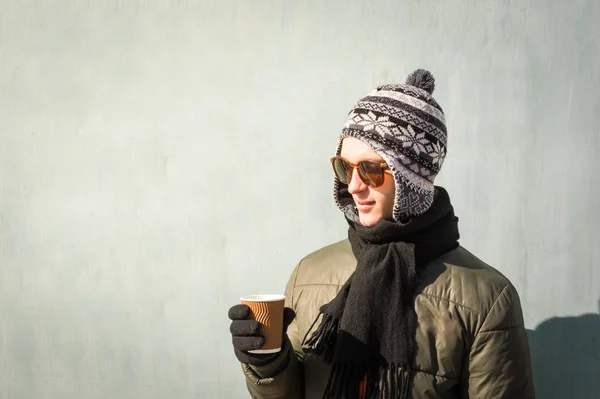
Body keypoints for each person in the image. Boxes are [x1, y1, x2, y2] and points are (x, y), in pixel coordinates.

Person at [228, 69, 535, 398]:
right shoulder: (308, 273)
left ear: (411, 180)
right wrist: (270, 365)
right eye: (345, 167)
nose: (354, 185)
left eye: (372, 170)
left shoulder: (485, 299)